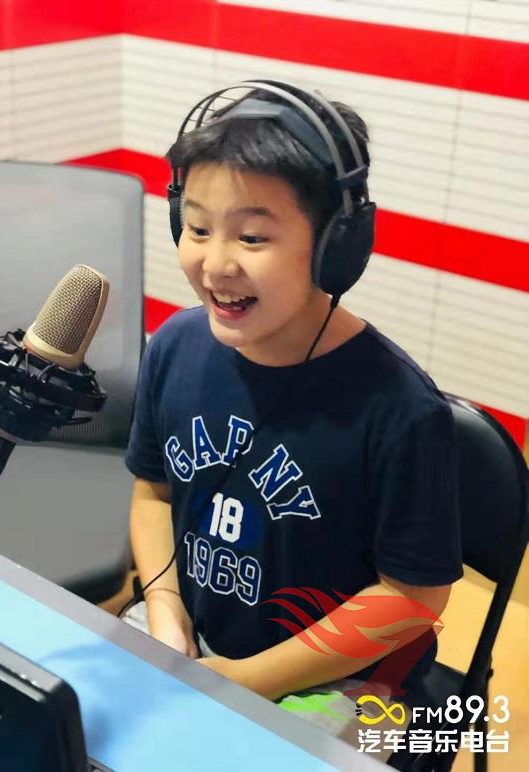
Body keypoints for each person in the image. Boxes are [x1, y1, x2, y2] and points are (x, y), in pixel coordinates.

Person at [122, 80, 462, 734]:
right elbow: (153, 495)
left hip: (344, 676)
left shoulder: (401, 410)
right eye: (197, 228)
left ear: (338, 246)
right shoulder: (174, 347)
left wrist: (247, 680)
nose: (215, 263)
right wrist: (165, 612)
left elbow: (412, 597)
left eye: (252, 237)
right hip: (191, 634)